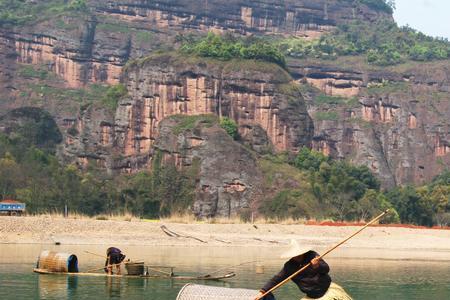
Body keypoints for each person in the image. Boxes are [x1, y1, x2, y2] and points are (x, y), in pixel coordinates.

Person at [255, 240, 352, 300]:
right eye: (294, 255)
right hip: (311, 296)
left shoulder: (312, 255)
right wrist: (263, 291)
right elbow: (277, 279)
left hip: (327, 291)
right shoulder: (289, 266)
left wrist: (317, 265)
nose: (297, 256)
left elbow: (326, 269)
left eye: (298, 254)